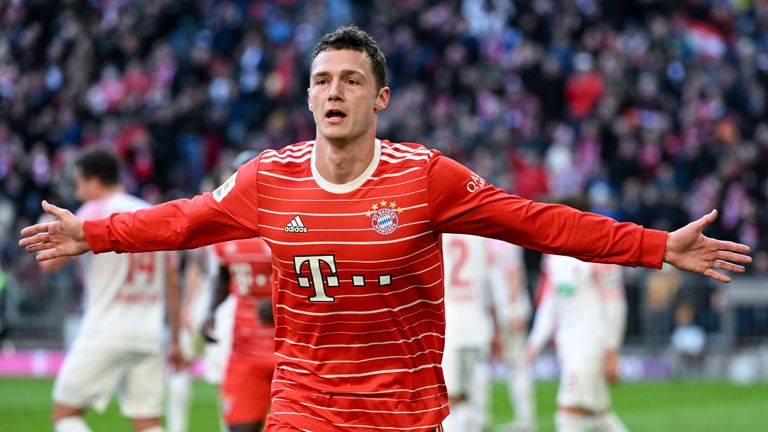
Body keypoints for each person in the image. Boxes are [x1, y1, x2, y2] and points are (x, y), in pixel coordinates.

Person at [19, 25, 751, 431]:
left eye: (350, 81)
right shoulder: (266, 179)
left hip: (404, 412)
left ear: (382, 98)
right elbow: (186, 221)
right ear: (307, 96)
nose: (332, 92)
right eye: (320, 80)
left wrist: (657, 246)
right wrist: (95, 234)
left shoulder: (425, 177)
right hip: (302, 405)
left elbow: (535, 223)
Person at [37, 148, 184, 432]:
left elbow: (49, 265)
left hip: (105, 329)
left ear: (94, 181)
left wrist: (46, 227)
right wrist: (175, 338)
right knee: (148, 421)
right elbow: (172, 283)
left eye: (79, 183)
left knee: (65, 412)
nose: (78, 192)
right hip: (149, 333)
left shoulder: (91, 213)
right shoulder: (150, 212)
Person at [526, 255, 628, 432]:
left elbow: (614, 303)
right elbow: (551, 301)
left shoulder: (601, 249)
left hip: (591, 341)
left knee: (568, 413)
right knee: (599, 415)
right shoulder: (552, 254)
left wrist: (611, 348)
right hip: (567, 342)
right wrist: (535, 341)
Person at [201, 234, 275, 432]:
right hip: (245, 353)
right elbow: (225, 274)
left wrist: (281, 305)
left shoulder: (289, 225)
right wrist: (211, 311)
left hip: (293, 356)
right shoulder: (225, 232)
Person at [441, 233, 495, 432]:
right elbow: (487, 281)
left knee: (448, 397)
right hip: (476, 323)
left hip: (450, 324)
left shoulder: (441, 234)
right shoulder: (479, 236)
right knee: (466, 395)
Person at [487, 238, 536, 432]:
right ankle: (522, 418)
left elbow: (513, 272)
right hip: (498, 308)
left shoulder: (498, 240)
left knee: (516, 365)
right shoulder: (496, 238)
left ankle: (525, 420)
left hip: (506, 309)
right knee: (512, 364)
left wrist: (514, 307)